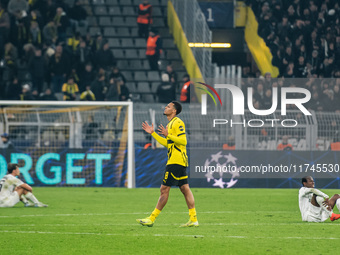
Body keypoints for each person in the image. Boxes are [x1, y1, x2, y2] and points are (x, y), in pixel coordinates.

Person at [137, 101, 198, 227]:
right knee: (185, 189)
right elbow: (167, 143)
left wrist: (168, 134)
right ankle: (193, 219)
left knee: (164, 189)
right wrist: (153, 133)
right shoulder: (170, 124)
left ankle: (152, 218)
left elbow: (183, 141)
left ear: (174, 111)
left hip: (176, 161)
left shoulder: (178, 122)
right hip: (178, 161)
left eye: (169, 106)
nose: (166, 107)